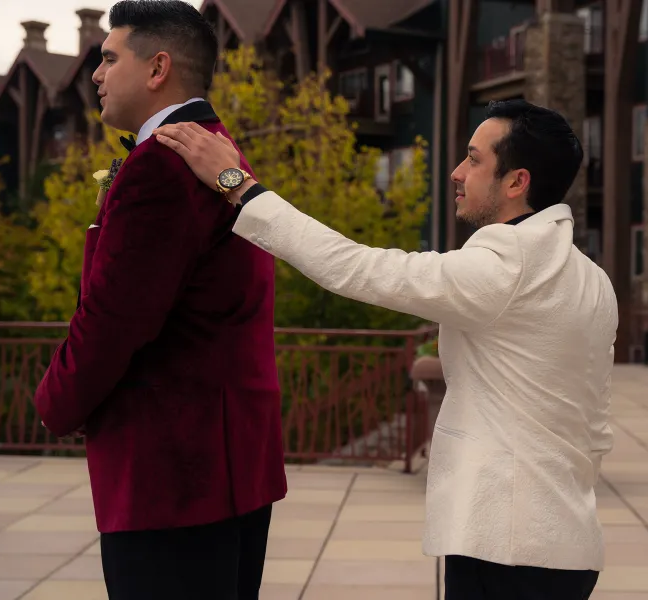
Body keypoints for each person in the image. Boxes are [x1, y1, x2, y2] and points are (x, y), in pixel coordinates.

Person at [156, 99, 615, 600]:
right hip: (567, 541)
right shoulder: (591, 279)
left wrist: (237, 186)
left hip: (507, 546)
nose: (458, 172)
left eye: (474, 158)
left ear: (516, 182)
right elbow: (594, 425)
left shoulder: (506, 265)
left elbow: (357, 268)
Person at [32, 2, 286, 599]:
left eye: (109, 57)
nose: (95, 75)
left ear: (158, 68)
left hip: (174, 475)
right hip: (228, 462)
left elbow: (115, 318)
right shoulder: (217, 150)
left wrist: (52, 402)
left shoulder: (162, 166)